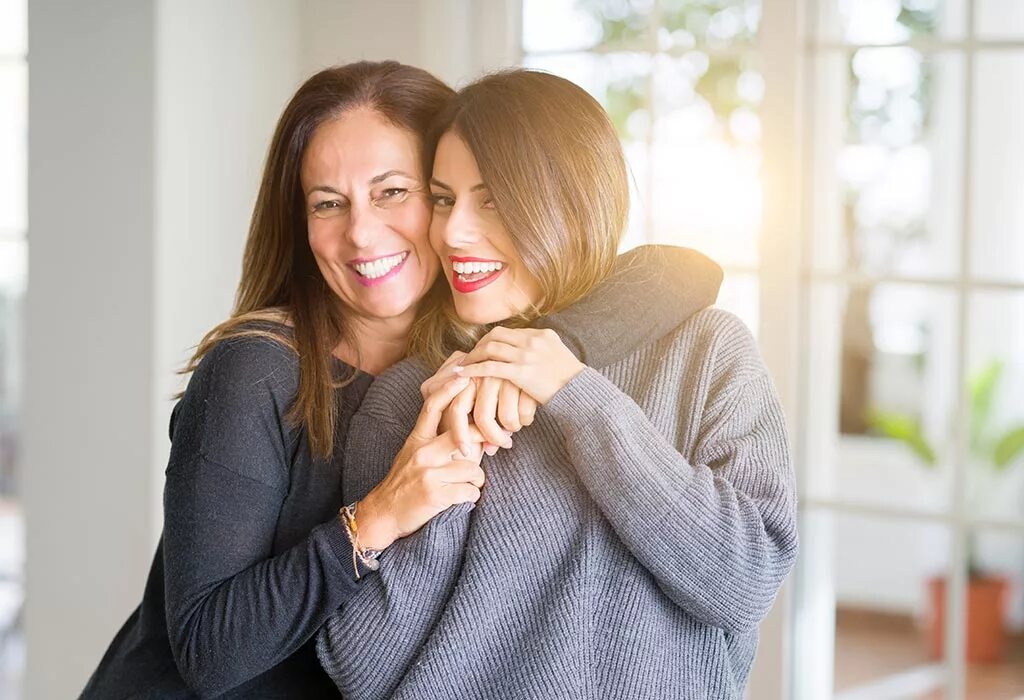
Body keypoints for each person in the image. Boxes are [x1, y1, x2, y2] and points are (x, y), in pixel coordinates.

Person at [80, 62, 723, 698]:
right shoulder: (255, 370)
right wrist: (376, 518)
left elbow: (683, 272)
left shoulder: (477, 345)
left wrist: (556, 346)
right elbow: (208, 652)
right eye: (328, 203)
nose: (360, 233)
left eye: (393, 192)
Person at [317, 69, 798, 700]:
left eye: (491, 199)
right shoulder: (417, 396)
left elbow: (743, 582)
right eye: (442, 198)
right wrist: (453, 465)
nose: (453, 232)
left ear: (573, 203)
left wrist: (577, 395)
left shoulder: (706, 352)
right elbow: (360, 667)